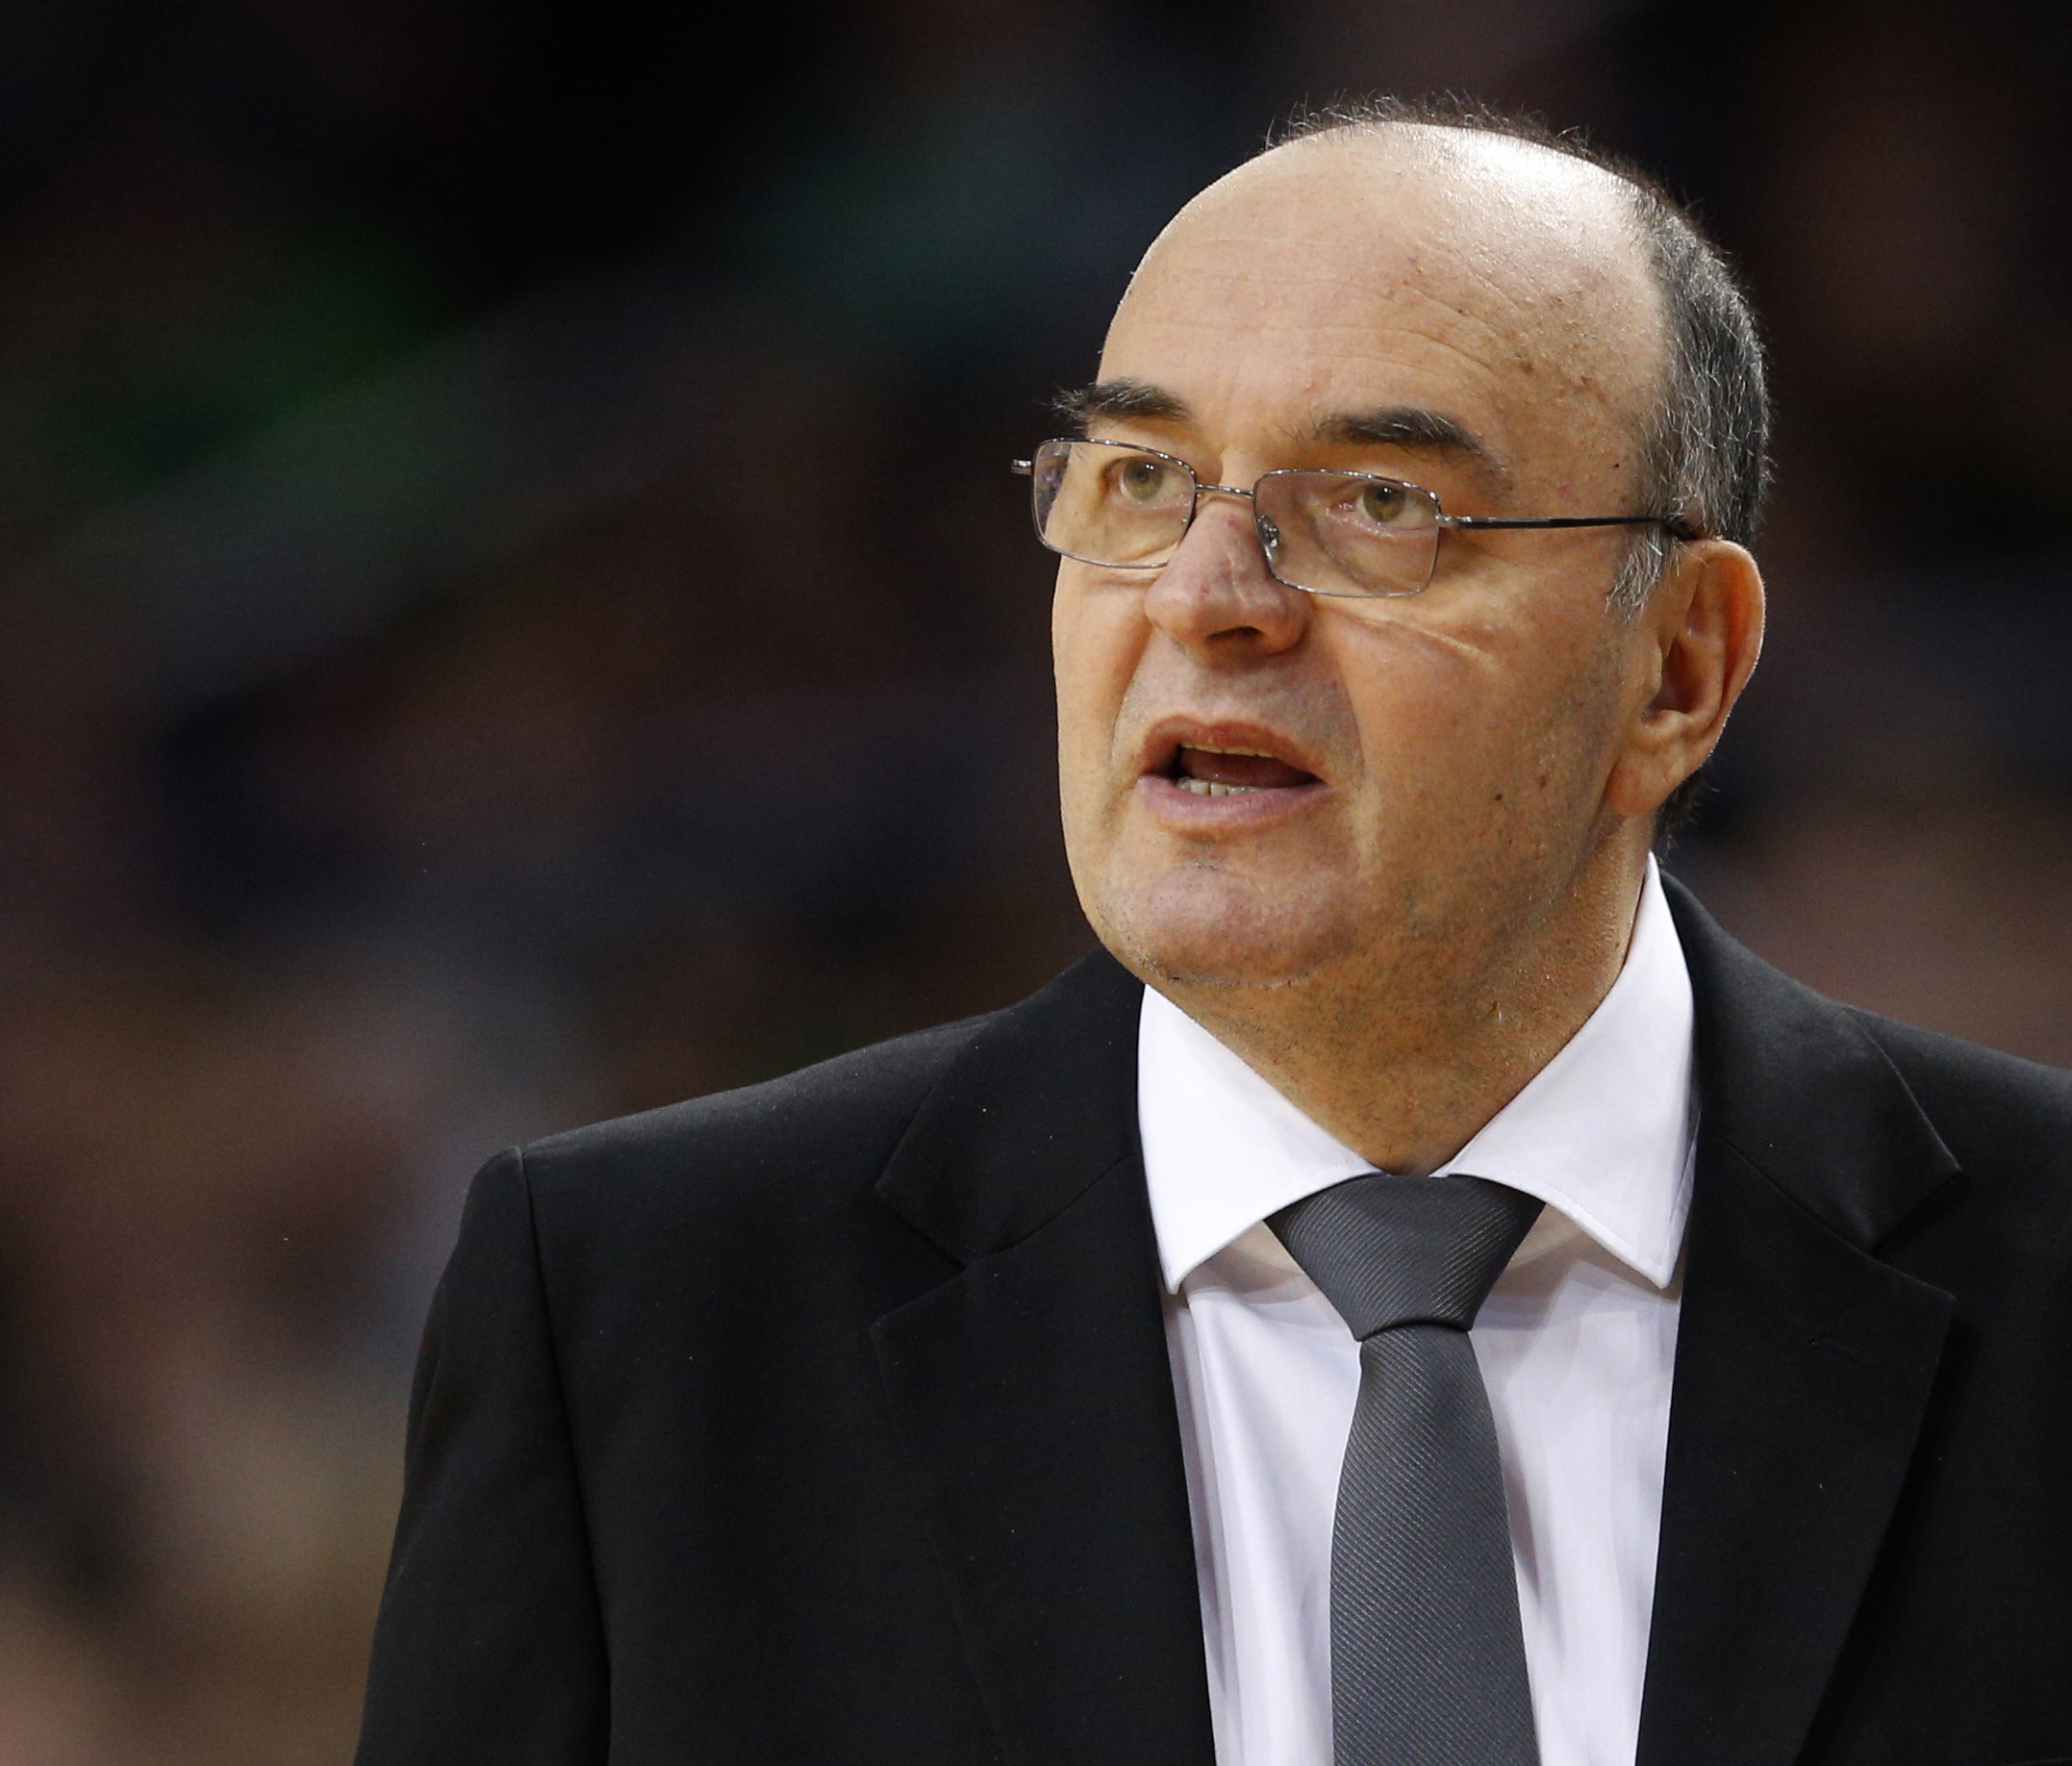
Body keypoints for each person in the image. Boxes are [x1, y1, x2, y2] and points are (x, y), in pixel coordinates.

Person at [351, 98, 2072, 1766]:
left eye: (1379, 506)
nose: (1204, 596)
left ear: (1679, 666)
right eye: (1137, 481)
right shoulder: (640, 1318)